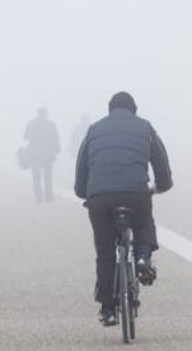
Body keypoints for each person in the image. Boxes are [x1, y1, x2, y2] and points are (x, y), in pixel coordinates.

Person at [74, 91, 173, 327]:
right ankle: (141, 259)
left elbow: (81, 172)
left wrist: (85, 192)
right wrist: (159, 187)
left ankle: (108, 309)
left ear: (109, 110)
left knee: (105, 252)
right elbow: (162, 167)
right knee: (144, 223)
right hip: (135, 193)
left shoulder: (93, 130)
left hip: (100, 198)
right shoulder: (146, 128)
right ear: (134, 110)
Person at [22, 107, 61, 203]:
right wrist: (56, 149)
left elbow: (25, 136)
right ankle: (48, 196)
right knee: (47, 176)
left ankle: (38, 197)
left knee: (36, 177)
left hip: (35, 154)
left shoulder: (31, 124)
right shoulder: (51, 125)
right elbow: (56, 139)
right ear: (46, 114)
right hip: (48, 155)